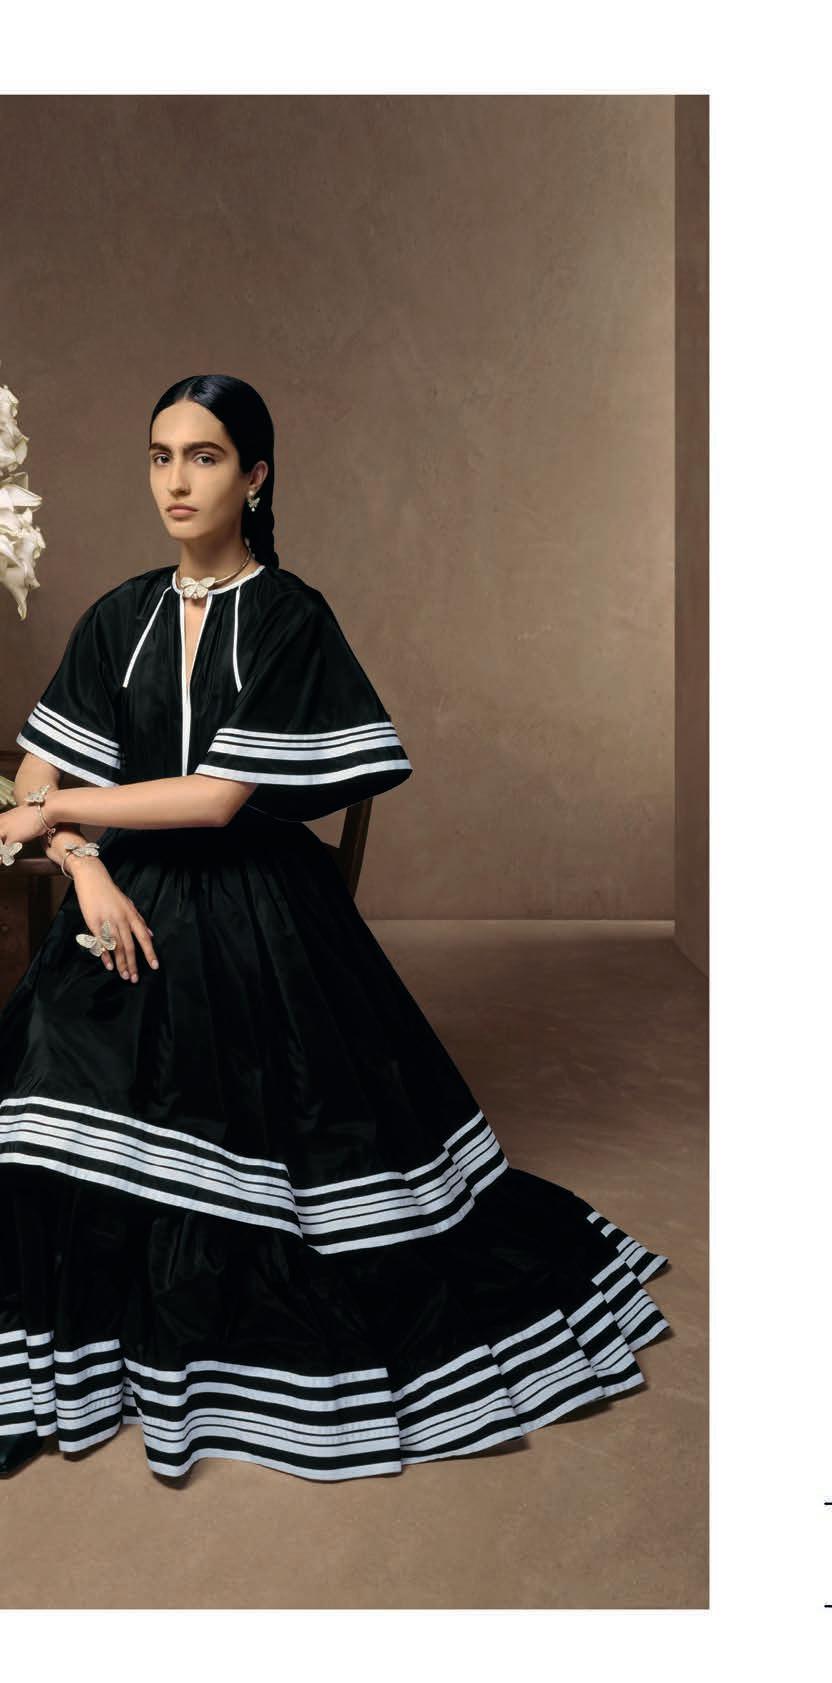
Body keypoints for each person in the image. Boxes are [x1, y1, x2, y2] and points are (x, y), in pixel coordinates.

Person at [0, 374, 671, 1483]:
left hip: (256, 902)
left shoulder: (290, 614)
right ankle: (63, 1341)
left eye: (205, 457)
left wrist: (57, 812)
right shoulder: (121, 612)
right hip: (126, 885)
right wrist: (82, 864)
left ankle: (179, 1315)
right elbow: (35, 771)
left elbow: (214, 802)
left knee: (209, 1070)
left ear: (255, 477)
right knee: (39, 1070)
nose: (176, 481)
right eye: (161, 456)